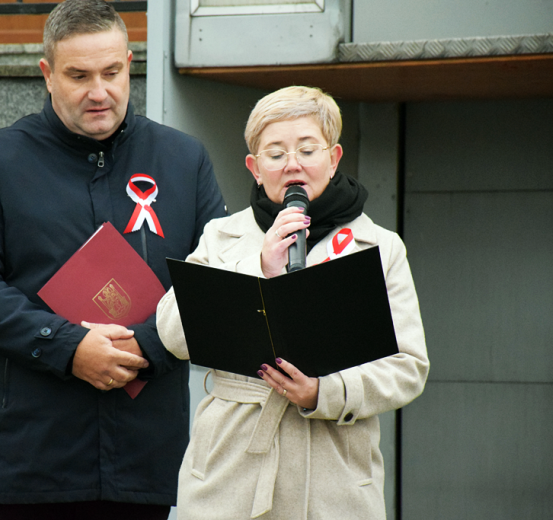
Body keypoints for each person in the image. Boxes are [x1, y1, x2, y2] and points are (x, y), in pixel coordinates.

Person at [0, 1, 227, 518]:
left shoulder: (185, 160)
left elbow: (215, 287)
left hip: (146, 460)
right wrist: (69, 348)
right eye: (78, 75)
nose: (100, 92)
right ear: (47, 74)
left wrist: (143, 345)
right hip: (26, 460)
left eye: (112, 72)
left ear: (131, 62)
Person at [156, 86, 429, 519]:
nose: (293, 164)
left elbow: (409, 366)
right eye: (276, 153)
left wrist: (326, 392)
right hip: (229, 472)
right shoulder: (222, 237)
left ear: (335, 158)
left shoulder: (377, 246)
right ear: (255, 167)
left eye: (307, 149)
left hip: (333, 480)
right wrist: (257, 265)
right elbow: (171, 332)